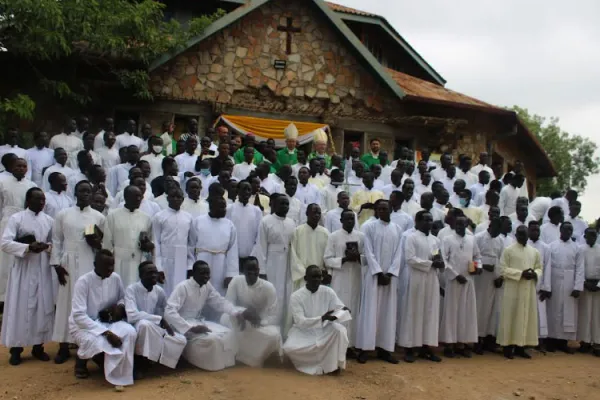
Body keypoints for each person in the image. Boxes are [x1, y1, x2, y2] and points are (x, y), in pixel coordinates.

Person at [51, 181, 106, 364]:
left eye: (88, 191)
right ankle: (63, 346)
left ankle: (85, 343)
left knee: (86, 303)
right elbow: (57, 241)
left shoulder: (98, 217)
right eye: (81, 191)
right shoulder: (63, 214)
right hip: (67, 263)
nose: (84, 194)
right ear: (74, 193)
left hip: (88, 262)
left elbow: (102, 245)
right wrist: (57, 265)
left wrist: (96, 243)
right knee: (66, 302)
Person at [165, 261, 254, 371]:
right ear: (194, 273)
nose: (206, 276)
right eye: (203, 273)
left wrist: (236, 313)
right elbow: (169, 311)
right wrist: (189, 328)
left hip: (198, 321)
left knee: (229, 334)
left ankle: (224, 364)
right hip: (182, 325)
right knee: (212, 339)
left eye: (208, 273)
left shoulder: (207, 286)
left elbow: (219, 302)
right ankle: (207, 364)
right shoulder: (183, 287)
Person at [0, 188, 54, 365]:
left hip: (42, 268)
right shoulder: (17, 218)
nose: (41, 203)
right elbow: (5, 243)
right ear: (28, 200)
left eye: (43, 199)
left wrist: (46, 247)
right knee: (20, 307)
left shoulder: (49, 221)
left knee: (41, 308)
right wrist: (28, 247)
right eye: (38, 199)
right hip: (23, 269)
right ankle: (16, 349)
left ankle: (38, 347)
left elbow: (55, 243)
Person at [69, 250, 137, 389]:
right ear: (95, 265)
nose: (110, 269)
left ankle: (120, 369)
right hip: (85, 325)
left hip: (108, 321)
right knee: (96, 341)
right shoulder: (83, 282)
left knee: (130, 332)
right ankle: (81, 360)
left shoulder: (115, 278)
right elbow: (78, 316)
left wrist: (119, 307)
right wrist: (107, 333)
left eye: (112, 265)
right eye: (106, 266)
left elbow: (122, 298)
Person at [356, 200, 402, 364]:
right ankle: (365, 348)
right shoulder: (368, 227)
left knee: (388, 313)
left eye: (385, 208)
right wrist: (378, 272)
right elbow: (368, 251)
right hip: (373, 276)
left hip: (390, 278)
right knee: (370, 311)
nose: (382, 211)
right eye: (379, 209)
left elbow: (398, 254)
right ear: (375, 210)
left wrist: (390, 273)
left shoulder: (397, 229)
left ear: (391, 209)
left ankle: (385, 348)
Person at [283, 265, 350, 375]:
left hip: (324, 330)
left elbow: (339, 308)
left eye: (319, 277)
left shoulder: (328, 291)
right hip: (303, 332)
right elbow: (300, 321)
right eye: (313, 277)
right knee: (289, 348)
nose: (317, 280)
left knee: (340, 331)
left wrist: (344, 310)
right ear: (305, 278)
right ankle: (308, 365)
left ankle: (333, 366)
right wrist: (322, 318)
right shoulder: (296, 296)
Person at [399, 211, 444, 363]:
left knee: (430, 312)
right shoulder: (411, 238)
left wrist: (439, 262)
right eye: (425, 220)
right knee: (414, 312)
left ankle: (427, 346)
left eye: (431, 220)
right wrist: (431, 264)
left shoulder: (435, 240)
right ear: (417, 222)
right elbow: (410, 259)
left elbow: (437, 255)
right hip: (416, 278)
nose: (429, 223)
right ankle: (410, 348)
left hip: (431, 279)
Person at [125, 261, 186, 372]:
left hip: (155, 325)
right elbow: (132, 315)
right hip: (135, 326)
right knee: (144, 325)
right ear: (141, 275)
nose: (154, 275)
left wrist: (174, 324)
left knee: (181, 339)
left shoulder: (159, 290)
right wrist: (159, 319)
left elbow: (167, 310)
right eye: (150, 273)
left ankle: (160, 363)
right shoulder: (132, 289)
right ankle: (139, 362)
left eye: (155, 272)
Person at [222, 257, 282, 367]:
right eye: (248, 270)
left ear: (259, 270)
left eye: (255, 270)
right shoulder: (236, 281)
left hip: (259, 323)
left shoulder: (268, 287)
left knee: (274, 336)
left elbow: (274, 315)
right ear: (243, 271)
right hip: (239, 319)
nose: (252, 273)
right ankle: (238, 356)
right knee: (226, 320)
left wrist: (260, 321)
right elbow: (227, 304)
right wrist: (241, 312)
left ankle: (258, 359)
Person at [497, 226, 543, 359]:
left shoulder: (534, 252)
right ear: (516, 235)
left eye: (525, 235)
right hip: (513, 289)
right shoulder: (508, 251)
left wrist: (534, 274)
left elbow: (539, 268)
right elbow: (502, 269)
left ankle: (521, 346)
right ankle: (507, 346)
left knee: (525, 317)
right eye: (520, 235)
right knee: (510, 316)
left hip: (527, 290)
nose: (523, 237)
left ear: (528, 235)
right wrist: (520, 274)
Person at [440, 216, 481, 358]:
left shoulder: (472, 239)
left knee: (466, 312)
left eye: (462, 223)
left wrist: (478, 267)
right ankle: (449, 344)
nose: (459, 226)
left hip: (468, 281)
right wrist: (456, 275)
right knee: (452, 312)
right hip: (454, 281)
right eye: (457, 223)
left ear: (466, 224)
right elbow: (444, 260)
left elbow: (477, 257)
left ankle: (462, 343)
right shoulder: (447, 240)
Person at [251, 195, 296, 325]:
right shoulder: (266, 221)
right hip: (272, 263)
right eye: (281, 204)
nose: (285, 207)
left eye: (287, 204)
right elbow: (261, 246)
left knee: (286, 295)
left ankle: (283, 328)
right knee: (273, 294)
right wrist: (262, 270)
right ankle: (269, 326)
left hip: (287, 263)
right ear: (274, 205)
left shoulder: (291, 222)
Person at [323, 209, 364, 351]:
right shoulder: (333, 236)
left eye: (352, 219)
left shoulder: (361, 237)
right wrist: (345, 259)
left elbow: (367, 258)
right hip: (340, 278)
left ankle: (351, 345)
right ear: (341, 221)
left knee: (354, 310)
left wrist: (358, 257)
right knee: (339, 309)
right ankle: (337, 344)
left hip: (356, 277)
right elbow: (327, 260)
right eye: (347, 219)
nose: (350, 222)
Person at [0, 158, 37, 304]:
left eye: (24, 166)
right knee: (5, 259)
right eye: (18, 166)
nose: (21, 169)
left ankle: (20, 294)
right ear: (12, 167)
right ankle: (3, 296)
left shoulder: (31, 185)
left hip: (24, 221)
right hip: (6, 220)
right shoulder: (3, 183)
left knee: (22, 256)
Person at [102, 185, 153, 289]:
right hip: (118, 261)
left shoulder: (146, 218)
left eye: (140, 196)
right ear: (126, 197)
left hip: (138, 261)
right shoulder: (113, 216)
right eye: (136, 196)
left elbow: (150, 242)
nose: (139, 199)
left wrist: (147, 244)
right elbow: (107, 243)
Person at [188, 195, 238, 296]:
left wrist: (231, 274)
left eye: (224, 207)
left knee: (218, 293)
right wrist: (190, 267)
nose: (224, 210)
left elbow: (233, 250)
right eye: (221, 207)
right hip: (201, 260)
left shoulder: (229, 225)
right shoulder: (198, 221)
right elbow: (191, 246)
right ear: (211, 207)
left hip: (221, 264)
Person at [546, 221, 584, 353]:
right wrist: (547, 286)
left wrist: (578, 286)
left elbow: (580, 268)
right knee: (554, 310)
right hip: (554, 280)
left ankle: (563, 342)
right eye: (565, 229)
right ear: (560, 230)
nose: (568, 232)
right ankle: (551, 341)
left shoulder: (577, 248)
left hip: (570, 281)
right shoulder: (551, 246)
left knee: (567, 313)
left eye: (570, 230)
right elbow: (547, 267)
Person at [151, 187, 192, 296]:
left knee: (180, 291)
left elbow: (190, 244)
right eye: (173, 196)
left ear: (183, 199)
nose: (176, 199)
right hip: (165, 259)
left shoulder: (188, 217)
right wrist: (158, 266)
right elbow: (156, 242)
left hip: (182, 260)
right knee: (166, 291)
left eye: (179, 197)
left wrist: (190, 266)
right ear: (167, 198)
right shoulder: (159, 217)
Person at [473, 218, 505, 354]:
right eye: (498, 229)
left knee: (493, 310)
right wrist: (483, 266)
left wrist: (501, 277)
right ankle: (477, 340)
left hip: (495, 280)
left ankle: (488, 339)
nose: (499, 232)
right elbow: (470, 259)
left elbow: (502, 260)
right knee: (480, 309)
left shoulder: (500, 240)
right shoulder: (478, 238)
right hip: (480, 279)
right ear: (491, 226)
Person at [290, 204, 329, 293]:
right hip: (303, 277)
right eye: (314, 212)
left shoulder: (325, 233)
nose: (317, 215)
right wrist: (304, 273)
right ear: (307, 213)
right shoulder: (297, 231)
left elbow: (328, 256)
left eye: (319, 213)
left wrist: (325, 272)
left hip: (319, 277)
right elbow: (293, 256)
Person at [226, 181, 262, 266]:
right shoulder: (230, 208)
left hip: (250, 255)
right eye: (244, 189)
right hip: (232, 255)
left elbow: (259, 235)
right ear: (238, 191)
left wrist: (253, 254)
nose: (246, 192)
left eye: (249, 190)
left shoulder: (256, 211)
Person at [577, 228, 600, 356]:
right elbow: (579, 268)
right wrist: (584, 283)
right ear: (585, 236)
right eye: (589, 235)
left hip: (597, 286)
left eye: (594, 235)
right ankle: (585, 342)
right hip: (585, 285)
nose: (592, 238)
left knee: (597, 315)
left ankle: (597, 342)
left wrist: (598, 284)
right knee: (585, 314)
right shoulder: (581, 249)